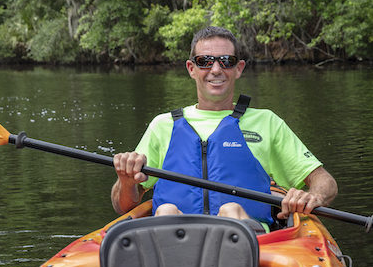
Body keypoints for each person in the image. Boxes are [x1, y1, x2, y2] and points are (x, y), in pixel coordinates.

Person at [111, 26, 337, 231]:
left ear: (238, 69)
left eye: (226, 61)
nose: (216, 69)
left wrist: (312, 196)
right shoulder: (163, 125)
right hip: (174, 235)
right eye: (205, 61)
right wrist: (126, 181)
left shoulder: (266, 122)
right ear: (192, 68)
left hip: (249, 239)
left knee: (231, 209)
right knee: (165, 211)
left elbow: (325, 182)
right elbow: (123, 205)